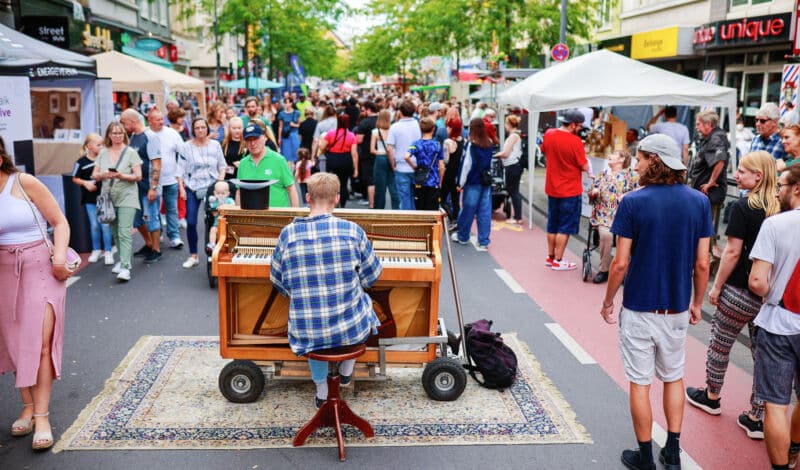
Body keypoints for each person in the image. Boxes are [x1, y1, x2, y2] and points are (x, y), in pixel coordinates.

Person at [600, 133, 712, 470]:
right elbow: (703, 262)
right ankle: (673, 453)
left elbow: (620, 262)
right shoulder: (699, 202)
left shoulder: (633, 201)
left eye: (641, 157)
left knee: (640, 382)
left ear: (654, 161)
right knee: (674, 376)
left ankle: (646, 457)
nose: (636, 163)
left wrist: (607, 300)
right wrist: (697, 302)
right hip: (676, 306)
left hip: (639, 306)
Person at [685, 151, 780, 439]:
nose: (736, 176)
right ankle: (757, 416)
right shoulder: (781, 209)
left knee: (721, 343)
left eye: (742, 172)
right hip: (768, 294)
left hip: (739, 289)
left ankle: (712, 396)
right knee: (763, 354)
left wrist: (715, 287)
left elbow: (733, 252)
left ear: (758, 176)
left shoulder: (742, 207)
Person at [270, 172, 382, 408]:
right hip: (350, 328)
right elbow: (373, 276)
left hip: (307, 332)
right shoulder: (352, 231)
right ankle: (346, 370)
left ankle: (321, 389)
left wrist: (303, 293)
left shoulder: (288, 234)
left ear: (308, 198)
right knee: (366, 300)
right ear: (337, 199)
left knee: (312, 322)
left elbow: (277, 280)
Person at [0, 136, 71, 451]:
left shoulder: (23, 181)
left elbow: (60, 222)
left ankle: (41, 416)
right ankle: (27, 406)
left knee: (40, 343)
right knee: (15, 343)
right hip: (3, 269)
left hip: (41, 266)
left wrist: (59, 256)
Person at [748, 164, 800, 470]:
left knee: (776, 405)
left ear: (797, 188)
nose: (777, 191)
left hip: (778, 323)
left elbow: (756, 282)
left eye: (781, 185)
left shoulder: (775, 224)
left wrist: (769, 295)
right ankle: (795, 448)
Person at [540, 109, 593, 270]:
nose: (581, 129)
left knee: (552, 224)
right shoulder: (575, 142)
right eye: (580, 126)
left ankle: (550, 257)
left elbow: (544, 151)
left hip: (552, 187)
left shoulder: (549, 134)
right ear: (572, 125)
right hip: (570, 189)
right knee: (565, 226)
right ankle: (559, 260)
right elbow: (583, 165)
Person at [92, 121, 143, 281]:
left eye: (120, 133)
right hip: (108, 196)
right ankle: (122, 260)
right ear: (109, 135)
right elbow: (94, 174)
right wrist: (104, 174)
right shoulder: (103, 153)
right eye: (114, 133)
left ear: (124, 135)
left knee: (124, 231)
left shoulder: (131, 152)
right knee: (115, 232)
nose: (117, 136)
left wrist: (121, 176)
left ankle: (126, 267)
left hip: (127, 195)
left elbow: (138, 176)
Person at [176, 117, 227, 269]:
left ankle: (215, 252)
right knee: (191, 222)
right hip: (193, 187)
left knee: (214, 221)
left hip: (212, 187)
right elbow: (180, 170)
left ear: (207, 129)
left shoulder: (215, 145)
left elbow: (222, 166)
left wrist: (220, 183)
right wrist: (181, 189)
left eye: (203, 127)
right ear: (193, 130)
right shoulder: (186, 147)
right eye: (197, 128)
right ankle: (193, 255)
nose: (200, 130)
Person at [588, 149, 638, 284]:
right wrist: (594, 191)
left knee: (628, 237)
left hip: (624, 215)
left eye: (614, 154)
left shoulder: (631, 175)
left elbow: (639, 190)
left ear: (622, 159)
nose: (609, 156)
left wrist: (627, 195)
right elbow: (593, 188)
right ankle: (604, 269)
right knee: (606, 235)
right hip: (603, 214)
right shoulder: (603, 174)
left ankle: (622, 268)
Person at [120, 109, 163, 265]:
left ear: (132, 121)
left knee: (152, 219)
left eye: (124, 123)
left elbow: (157, 163)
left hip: (148, 186)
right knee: (137, 220)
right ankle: (149, 243)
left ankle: (156, 250)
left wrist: (153, 187)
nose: (123, 127)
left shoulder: (150, 137)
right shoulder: (132, 137)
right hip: (134, 186)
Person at [692, 109, 731, 256]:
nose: (696, 127)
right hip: (704, 192)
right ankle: (702, 257)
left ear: (708, 124)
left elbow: (720, 160)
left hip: (709, 192)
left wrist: (711, 182)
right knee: (702, 226)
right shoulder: (713, 137)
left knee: (704, 227)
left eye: (698, 124)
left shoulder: (717, 137)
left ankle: (704, 259)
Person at [451, 117, 494, 251]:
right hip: (485, 181)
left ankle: (463, 236)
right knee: (484, 211)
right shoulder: (489, 143)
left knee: (468, 210)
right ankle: (483, 240)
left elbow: (466, 166)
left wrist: (460, 183)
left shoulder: (471, 144)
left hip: (473, 181)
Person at [71, 133, 114, 265]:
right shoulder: (81, 162)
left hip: (104, 197)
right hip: (89, 199)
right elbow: (74, 178)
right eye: (98, 145)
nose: (101, 147)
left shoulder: (105, 159)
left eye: (102, 145)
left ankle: (108, 251)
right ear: (89, 146)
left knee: (105, 225)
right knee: (94, 226)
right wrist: (86, 183)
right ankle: (96, 250)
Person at [147, 108, 185, 251]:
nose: (162, 122)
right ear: (149, 121)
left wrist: (181, 173)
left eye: (162, 119)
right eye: (158, 120)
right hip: (153, 182)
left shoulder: (172, 133)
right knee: (154, 210)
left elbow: (183, 153)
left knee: (172, 209)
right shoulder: (145, 135)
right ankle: (158, 234)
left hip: (171, 179)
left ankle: (174, 236)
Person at [236, 122, 299, 208]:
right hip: (251, 218)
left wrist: (295, 216)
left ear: (265, 137)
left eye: (256, 138)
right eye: (248, 140)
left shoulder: (279, 160)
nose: (252, 143)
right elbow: (239, 192)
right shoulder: (243, 163)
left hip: (277, 218)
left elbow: (291, 188)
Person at [318, 114, 358, 208]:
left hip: (333, 159)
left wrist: (328, 149)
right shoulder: (351, 136)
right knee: (343, 184)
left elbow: (322, 147)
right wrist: (356, 169)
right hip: (346, 160)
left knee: (332, 183)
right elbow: (354, 154)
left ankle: (333, 204)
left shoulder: (331, 134)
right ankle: (343, 205)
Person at [404, 117, 444, 211]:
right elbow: (441, 167)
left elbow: (406, 156)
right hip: (433, 181)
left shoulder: (416, 143)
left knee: (420, 209)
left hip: (420, 180)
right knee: (432, 210)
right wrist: (440, 182)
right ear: (433, 129)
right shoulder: (437, 145)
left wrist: (414, 167)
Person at [388, 100, 422, 210]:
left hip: (401, 167)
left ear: (400, 112)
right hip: (417, 166)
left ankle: (407, 223)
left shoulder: (395, 127)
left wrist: (392, 163)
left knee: (404, 198)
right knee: (416, 198)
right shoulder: (419, 125)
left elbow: (390, 148)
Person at [493, 115, 524, 224]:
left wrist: (495, 155)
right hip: (514, 165)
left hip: (513, 166)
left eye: (506, 123)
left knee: (514, 191)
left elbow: (506, 153)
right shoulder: (515, 135)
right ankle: (517, 216)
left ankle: (517, 217)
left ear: (510, 124)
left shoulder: (513, 136)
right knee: (513, 190)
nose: (505, 126)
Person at [371, 109, 399, 210]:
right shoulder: (394, 131)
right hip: (392, 158)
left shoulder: (375, 132)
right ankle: (397, 211)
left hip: (380, 159)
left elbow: (372, 150)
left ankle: (379, 211)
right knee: (394, 187)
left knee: (380, 188)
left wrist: (381, 152)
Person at [441, 116, 465, 223]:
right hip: (458, 175)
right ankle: (456, 219)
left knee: (442, 198)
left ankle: (451, 218)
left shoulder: (448, 142)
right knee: (455, 199)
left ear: (451, 128)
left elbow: (445, 161)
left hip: (448, 174)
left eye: (448, 126)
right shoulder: (463, 140)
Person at [355, 101, 379, 208]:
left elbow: (359, 140)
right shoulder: (381, 120)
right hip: (381, 153)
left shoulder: (364, 123)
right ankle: (379, 202)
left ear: (369, 109)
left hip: (367, 154)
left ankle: (372, 204)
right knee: (380, 179)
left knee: (370, 180)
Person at [205, 181, 235, 254]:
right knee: (212, 229)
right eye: (218, 193)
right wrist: (217, 206)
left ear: (227, 193)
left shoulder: (229, 200)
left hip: (228, 224)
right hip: (217, 224)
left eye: (223, 193)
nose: (220, 195)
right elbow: (214, 214)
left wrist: (224, 206)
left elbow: (233, 206)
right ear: (215, 193)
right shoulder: (215, 202)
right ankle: (212, 244)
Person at [277, 97, 301, 170]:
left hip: (294, 135)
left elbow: (300, 125)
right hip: (285, 136)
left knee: (295, 154)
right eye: (285, 102)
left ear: (291, 103)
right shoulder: (281, 114)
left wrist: (294, 125)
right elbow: (280, 127)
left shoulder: (297, 113)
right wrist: (279, 138)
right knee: (285, 154)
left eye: (288, 102)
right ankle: (286, 171)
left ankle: (296, 170)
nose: (287, 104)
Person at [312, 104, 337, 172]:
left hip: (323, 154)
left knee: (323, 177)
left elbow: (315, 140)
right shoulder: (338, 123)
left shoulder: (320, 124)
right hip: (337, 154)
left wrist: (313, 156)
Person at [222, 116, 247, 180]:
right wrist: (232, 168)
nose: (237, 131)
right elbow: (220, 165)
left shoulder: (247, 143)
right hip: (227, 178)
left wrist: (243, 164)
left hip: (243, 177)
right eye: (234, 128)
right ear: (229, 128)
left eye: (239, 128)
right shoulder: (224, 144)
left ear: (243, 128)